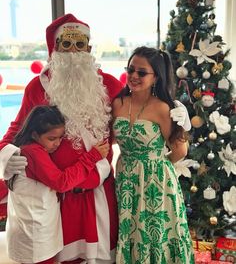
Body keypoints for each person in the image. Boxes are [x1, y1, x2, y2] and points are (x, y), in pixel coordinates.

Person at [0, 14, 191, 264]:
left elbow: (136, 117)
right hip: (60, 196)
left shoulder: (110, 86)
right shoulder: (38, 87)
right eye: (66, 45)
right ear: (55, 49)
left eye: (80, 45)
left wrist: (178, 117)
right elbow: (16, 131)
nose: (73, 52)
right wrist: (8, 154)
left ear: (89, 49)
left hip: (101, 191)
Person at [112, 46, 194, 263]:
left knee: (156, 235)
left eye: (141, 72)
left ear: (156, 77)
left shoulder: (163, 108)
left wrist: (154, 165)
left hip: (157, 182)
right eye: (131, 70)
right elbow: (109, 139)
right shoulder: (118, 103)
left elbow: (180, 150)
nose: (133, 76)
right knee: (131, 232)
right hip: (125, 179)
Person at [6, 105, 110, 264]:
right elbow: (62, 183)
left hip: (34, 229)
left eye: (61, 138)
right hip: (35, 233)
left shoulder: (30, 148)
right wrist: (92, 157)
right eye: (52, 138)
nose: (57, 144)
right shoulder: (33, 152)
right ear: (34, 134)